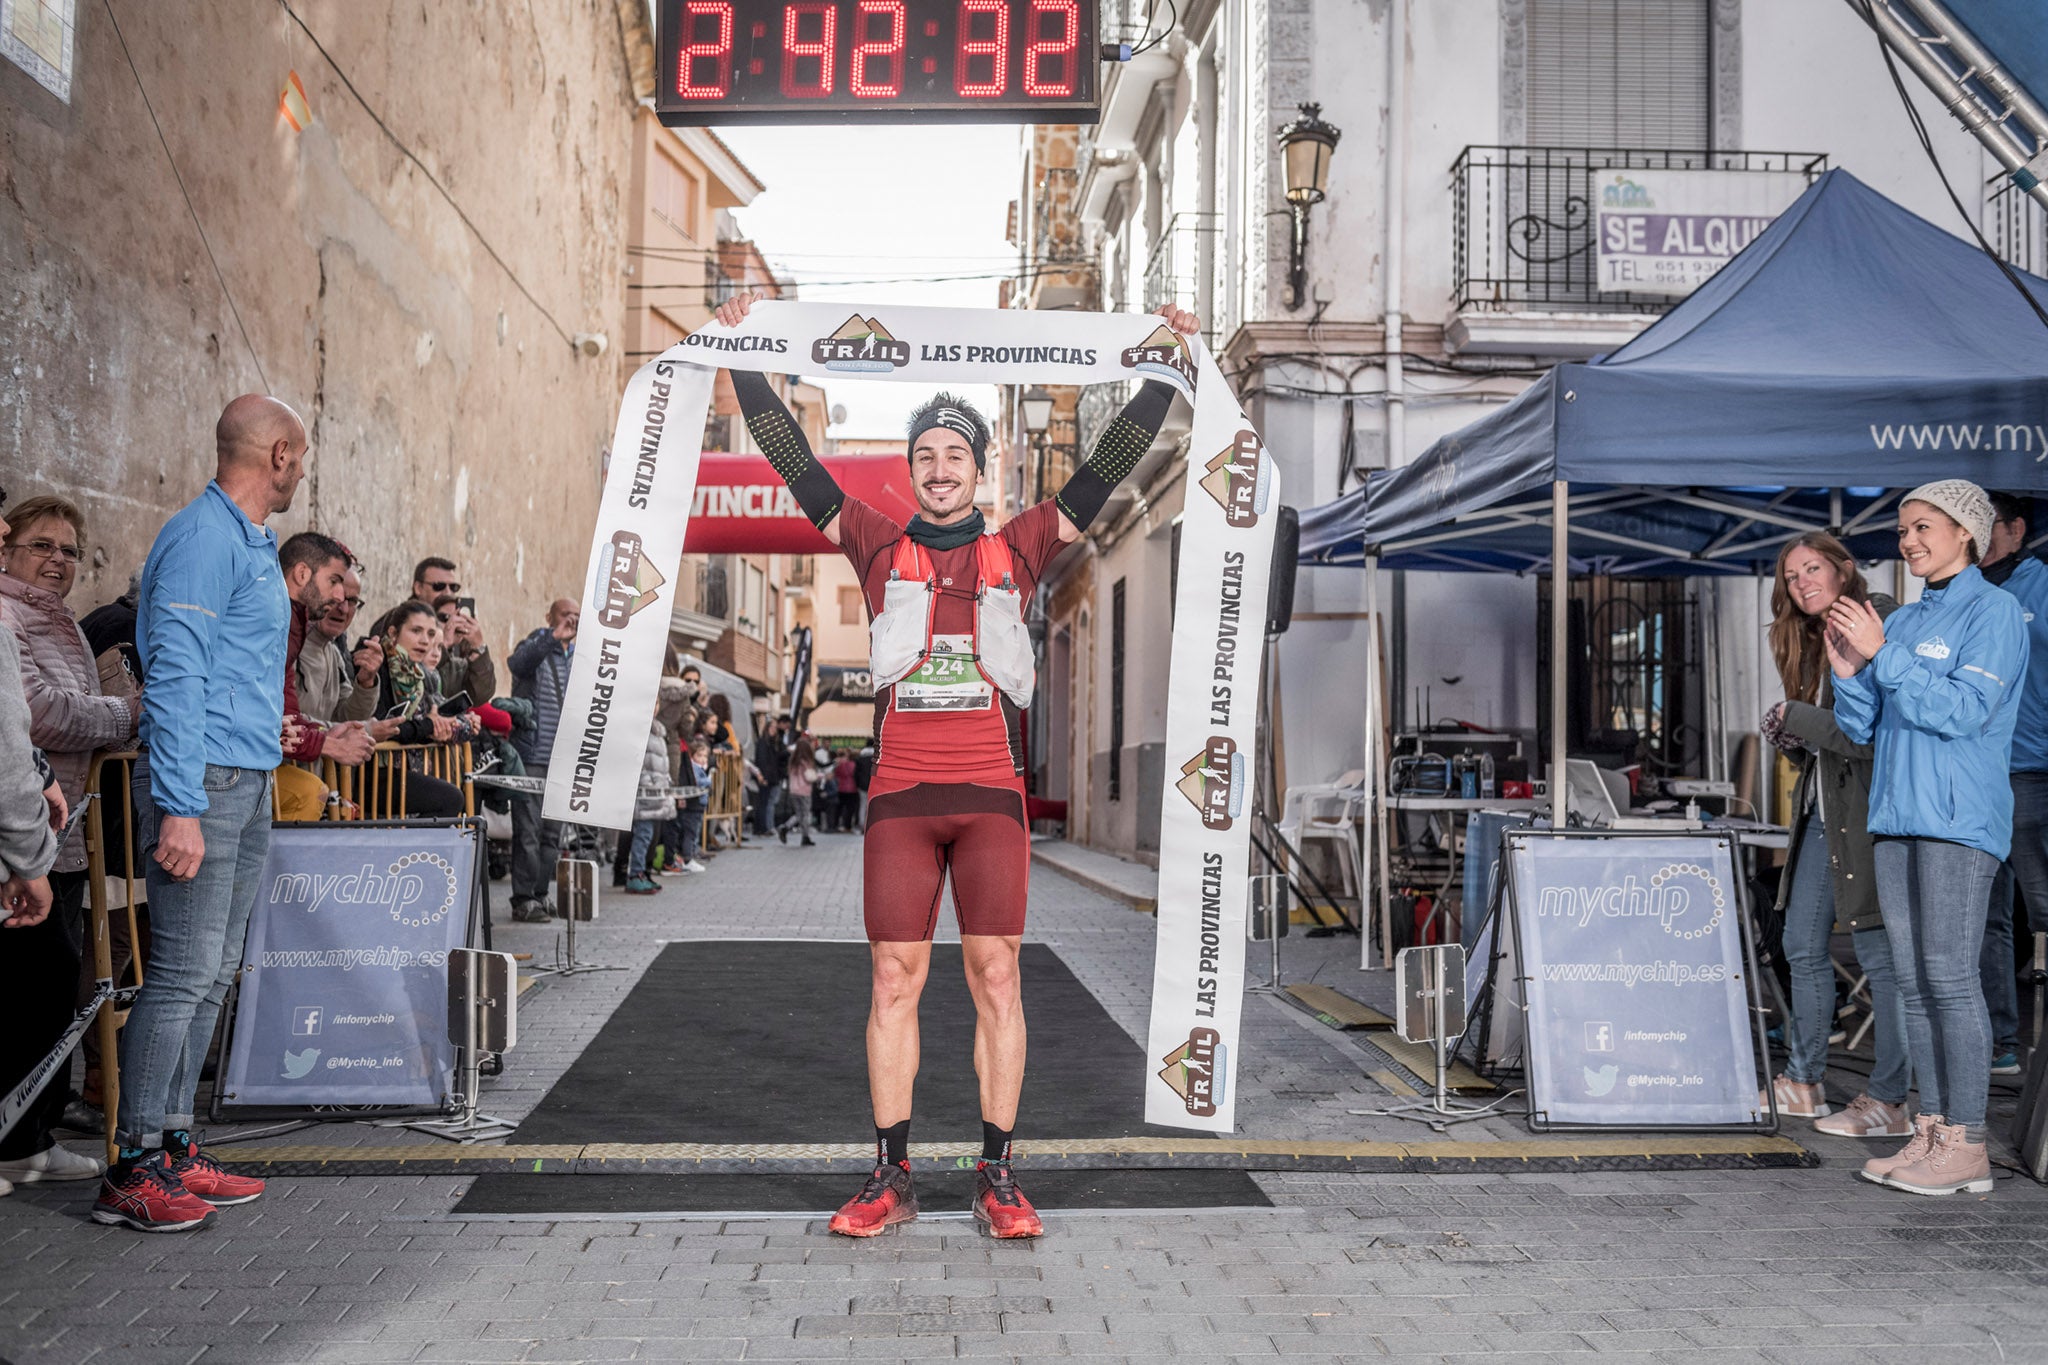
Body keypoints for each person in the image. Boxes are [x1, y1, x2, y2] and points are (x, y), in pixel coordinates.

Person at [714, 290, 1198, 1238]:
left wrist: (1163, 362)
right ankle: (892, 1174)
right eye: (925, 456)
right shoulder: (874, 541)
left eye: (956, 455)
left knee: (996, 976)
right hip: (900, 796)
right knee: (894, 979)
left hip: (988, 799)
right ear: (911, 472)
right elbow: (790, 458)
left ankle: (998, 1175)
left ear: (978, 469)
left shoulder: (1018, 545)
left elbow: (1104, 470)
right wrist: (741, 357)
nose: (940, 469)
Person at [93, 395, 308, 1232]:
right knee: (181, 973)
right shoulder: (200, 537)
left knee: (214, 971)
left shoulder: (248, 542)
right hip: (204, 783)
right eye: (302, 459)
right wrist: (179, 806)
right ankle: (131, 1165)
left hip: (245, 779)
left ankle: (177, 1146)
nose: (300, 472)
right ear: (281, 454)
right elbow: (175, 677)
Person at [1832, 480, 2027, 1198]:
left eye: (1922, 528)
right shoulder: (1908, 621)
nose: (1908, 540)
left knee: (1949, 978)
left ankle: (1969, 1141)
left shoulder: (1997, 612)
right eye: (1904, 529)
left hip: (1957, 822)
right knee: (1914, 986)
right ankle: (1934, 1128)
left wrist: (1884, 655)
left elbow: (1964, 710)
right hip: (1896, 819)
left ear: (1966, 533)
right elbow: (1863, 726)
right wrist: (1847, 668)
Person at [1759, 533, 1911, 1140]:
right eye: (1792, 577)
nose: (1801, 583)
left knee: (1882, 960)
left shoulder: (1882, 620)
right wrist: (1797, 739)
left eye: (1812, 568)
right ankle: (1804, 1082)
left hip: (1872, 818)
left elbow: (1872, 735)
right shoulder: (1813, 638)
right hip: (1821, 815)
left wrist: (1795, 716)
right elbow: (1834, 742)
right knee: (1800, 944)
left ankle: (1890, 1099)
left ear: (1844, 569)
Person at [0, 491, 91, 1195]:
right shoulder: (8, 613)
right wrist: (123, 711)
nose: (57, 559)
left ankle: (34, 1135)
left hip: (57, 834)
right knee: (33, 984)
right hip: (20, 840)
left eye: (68, 548)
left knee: (53, 986)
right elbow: (36, 716)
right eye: (41, 545)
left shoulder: (63, 624)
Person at [1977, 491, 2043, 1076]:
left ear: (2016, 530)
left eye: (1984, 524)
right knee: (1988, 914)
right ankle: (2000, 1038)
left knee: (2041, 912)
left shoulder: (2040, 588)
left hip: (2034, 771)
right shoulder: (1955, 594)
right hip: (1980, 775)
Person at [274, 533, 377, 819]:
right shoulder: (273, 620)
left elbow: (289, 715)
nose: (340, 599)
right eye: (334, 582)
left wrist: (325, 733)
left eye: (353, 600)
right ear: (302, 573)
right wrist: (329, 744)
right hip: (227, 772)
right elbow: (259, 714)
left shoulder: (326, 649)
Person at [507, 598, 577, 923]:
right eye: (566, 616)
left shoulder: (581, 657)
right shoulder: (534, 645)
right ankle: (522, 899)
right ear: (550, 617)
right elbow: (518, 665)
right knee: (528, 830)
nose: (571, 622)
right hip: (532, 754)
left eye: (576, 617)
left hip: (563, 761)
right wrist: (552, 636)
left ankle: (540, 894)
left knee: (552, 834)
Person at [296, 563, 376, 727]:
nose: (344, 609)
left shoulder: (333, 654)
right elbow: (287, 722)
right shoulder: (287, 646)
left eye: (352, 601)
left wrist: (366, 683)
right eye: (336, 597)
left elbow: (345, 716)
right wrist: (367, 731)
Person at [411, 557, 496, 702]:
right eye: (439, 586)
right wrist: (443, 644)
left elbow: (478, 695)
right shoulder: (400, 621)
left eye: (453, 587)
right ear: (418, 588)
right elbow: (411, 676)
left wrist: (478, 649)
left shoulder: (459, 642)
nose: (448, 592)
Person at [625, 717, 673, 895]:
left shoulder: (659, 731)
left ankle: (641, 873)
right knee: (642, 835)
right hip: (645, 794)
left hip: (656, 794)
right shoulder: (641, 730)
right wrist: (648, 783)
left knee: (647, 836)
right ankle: (635, 875)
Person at [753, 715, 789, 837]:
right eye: (771, 727)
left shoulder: (775, 743)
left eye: (775, 727)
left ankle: (765, 827)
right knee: (764, 803)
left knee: (768, 803)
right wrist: (763, 776)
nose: (773, 729)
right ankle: (763, 828)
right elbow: (762, 761)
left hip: (773, 777)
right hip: (767, 777)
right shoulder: (763, 742)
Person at [781, 738, 818, 847]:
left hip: (793, 791)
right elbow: (809, 777)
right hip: (804, 791)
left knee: (799, 814)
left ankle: (785, 827)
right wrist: (820, 776)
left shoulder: (793, 761)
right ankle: (805, 837)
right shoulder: (806, 762)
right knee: (805, 814)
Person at [833, 749, 859, 833]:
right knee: (850, 809)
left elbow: (836, 774)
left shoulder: (840, 765)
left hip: (841, 788)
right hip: (852, 789)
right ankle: (847, 826)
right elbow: (856, 775)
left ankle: (835, 824)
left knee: (840, 808)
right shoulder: (854, 765)